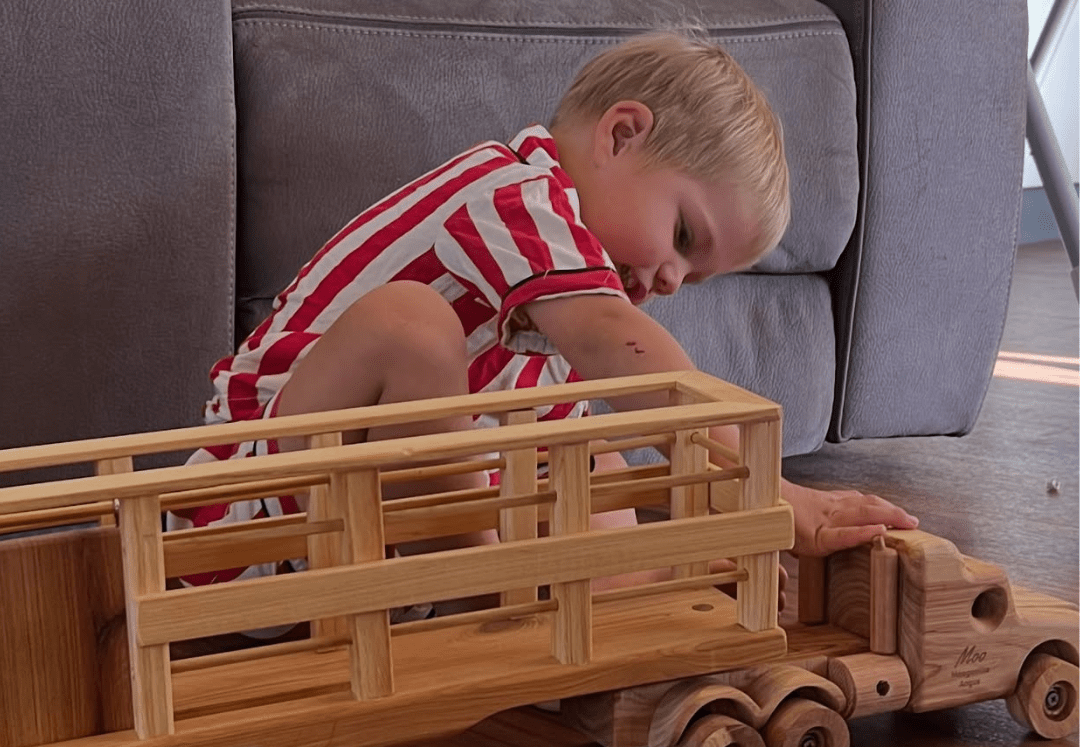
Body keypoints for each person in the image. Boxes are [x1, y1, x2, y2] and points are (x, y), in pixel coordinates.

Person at [168, 30, 916, 596]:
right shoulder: (514, 193)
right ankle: (502, 591)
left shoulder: (553, 313)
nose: (670, 278)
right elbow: (621, 350)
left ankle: (608, 592)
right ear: (621, 134)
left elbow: (584, 455)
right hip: (255, 510)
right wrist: (771, 488)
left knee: (580, 442)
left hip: (366, 541)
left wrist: (658, 567)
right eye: (683, 235)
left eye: (695, 274)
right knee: (410, 322)